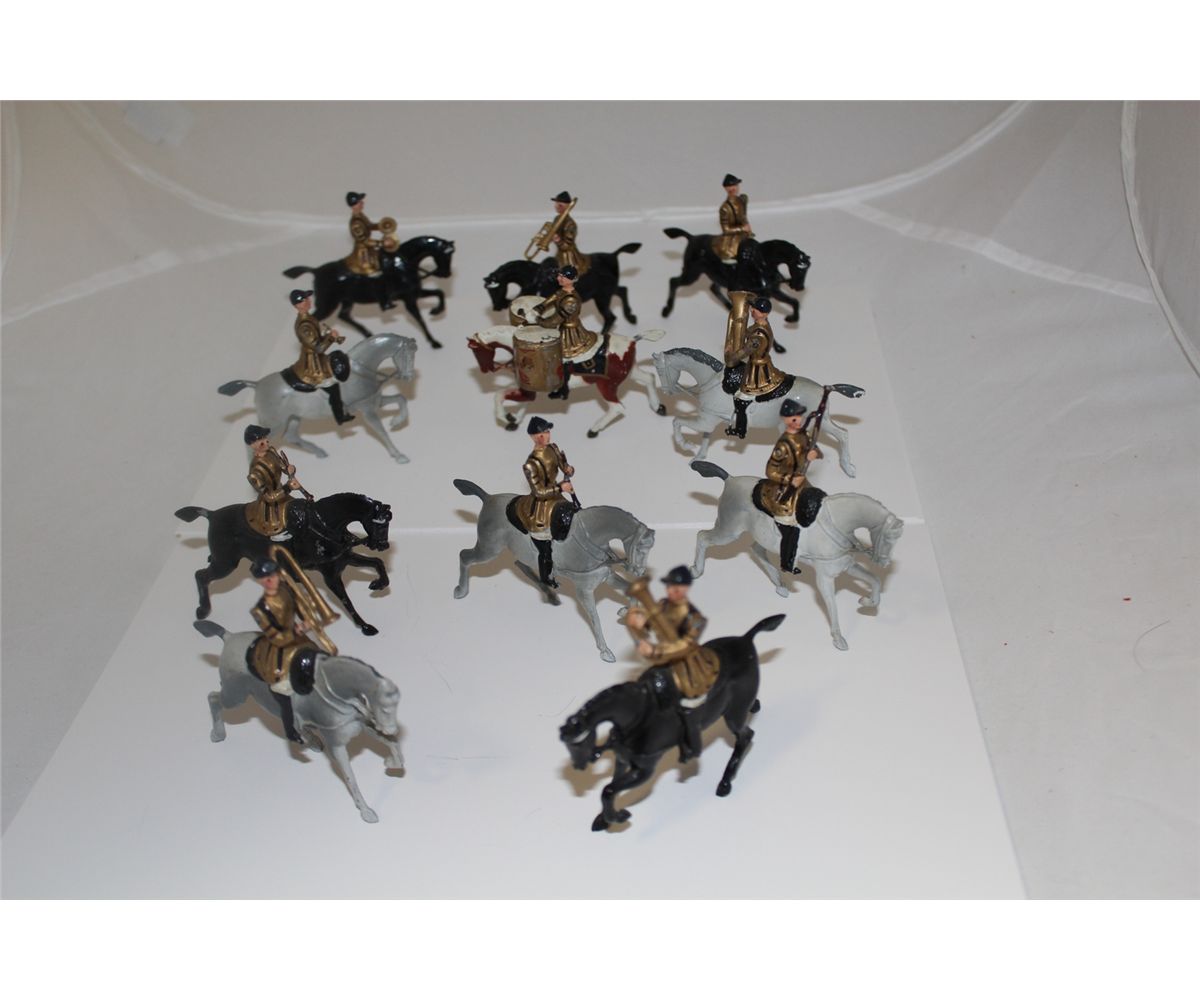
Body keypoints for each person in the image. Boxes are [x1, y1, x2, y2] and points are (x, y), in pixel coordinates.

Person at [626, 567, 720, 764]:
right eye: (670, 587)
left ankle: (693, 747)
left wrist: (655, 652)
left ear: (687, 588)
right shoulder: (662, 605)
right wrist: (637, 622)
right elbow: (651, 626)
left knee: (689, 710)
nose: (673, 591)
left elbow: (685, 645)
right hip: (666, 663)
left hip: (691, 669)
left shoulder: (696, 619)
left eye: (678, 588)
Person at [248, 556, 331, 744]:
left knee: (322, 662)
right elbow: (274, 637)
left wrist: (309, 612)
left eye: (272, 576)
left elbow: (300, 608)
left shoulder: (286, 590)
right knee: (283, 692)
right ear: (260, 581)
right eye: (265, 579)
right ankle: (291, 729)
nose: (270, 580)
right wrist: (298, 629)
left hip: (300, 642)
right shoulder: (260, 610)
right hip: (279, 651)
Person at [759, 398, 822, 575]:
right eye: (794, 419)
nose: (798, 421)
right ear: (785, 420)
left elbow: (816, 450)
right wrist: (789, 479)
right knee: (790, 530)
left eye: (800, 418)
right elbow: (770, 470)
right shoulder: (783, 445)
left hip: (803, 485)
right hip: (784, 490)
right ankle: (787, 562)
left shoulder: (803, 435)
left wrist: (814, 453)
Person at [512, 416, 575, 588]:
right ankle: (546, 578)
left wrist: (568, 469)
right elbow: (539, 492)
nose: (545, 436)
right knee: (545, 548)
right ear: (533, 437)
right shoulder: (531, 464)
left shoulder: (553, 448)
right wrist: (561, 487)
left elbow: (563, 465)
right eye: (541, 434)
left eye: (547, 432)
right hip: (541, 508)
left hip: (557, 498)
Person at [288, 289, 354, 425]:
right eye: (304, 300)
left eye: (307, 298)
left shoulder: (309, 318)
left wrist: (328, 335)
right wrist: (331, 338)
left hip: (318, 357)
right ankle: (339, 416)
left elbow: (317, 340)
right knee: (333, 388)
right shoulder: (304, 325)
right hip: (313, 363)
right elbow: (318, 348)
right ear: (297, 305)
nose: (308, 301)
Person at [534, 265, 600, 400]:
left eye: (563, 277)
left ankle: (563, 387)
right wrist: (538, 308)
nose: (559, 278)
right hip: (563, 328)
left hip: (571, 332)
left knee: (562, 358)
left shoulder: (571, 300)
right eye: (559, 276)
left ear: (572, 280)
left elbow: (556, 320)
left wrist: (540, 321)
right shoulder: (562, 292)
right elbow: (552, 299)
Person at [726, 296, 787, 438]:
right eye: (752, 308)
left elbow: (744, 352)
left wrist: (731, 357)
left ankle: (740, 429)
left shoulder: (759, 335)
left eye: (756, 310)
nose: (752, 311)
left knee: (741, 399)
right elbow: (748, 332)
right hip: (756, 362)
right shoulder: (760, 324)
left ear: (764, 313)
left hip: (758, 370)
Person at [243, 425, 302, 538]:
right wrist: (288, 487)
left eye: (265, 438)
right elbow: (269, 497)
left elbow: (281, 465)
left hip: (282, 494)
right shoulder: (254, 472)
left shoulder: (271, 451)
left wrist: (289, 468)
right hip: (271, 507)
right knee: (279, 527)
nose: (266, 442)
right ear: (252, 445)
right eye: (261, 441)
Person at [343, 191, 397, 310]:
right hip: (363, 253)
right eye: (359, 202)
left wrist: (382, 226)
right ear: (354, 205)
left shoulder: (360, 216)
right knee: (376, 274)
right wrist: (382, 243)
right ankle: (383, 301)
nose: (362, 203)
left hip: (369, 248)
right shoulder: (355, 223)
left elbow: (369, 226)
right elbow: (363, 240)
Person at [547, 190, 589, 275]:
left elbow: (567, 246)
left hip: (569, 256)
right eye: (556, 204)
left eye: (560, 205)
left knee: (567, 274)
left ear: (567, 207)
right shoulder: (556, 218)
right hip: (559, 253)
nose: (556, 207)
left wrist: (558, 240)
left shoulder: (570, 224)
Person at [712, 173, 752, 262]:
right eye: (729, 187)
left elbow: (743, 217)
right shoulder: (725, 208)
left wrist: (748, 229)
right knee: (731, 257)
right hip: (732, 240)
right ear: (725, 188)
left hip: (744, 236)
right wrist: (742, 228)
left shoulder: (741, 200)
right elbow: (726, 229)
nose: (733, 188)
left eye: (735, 185)